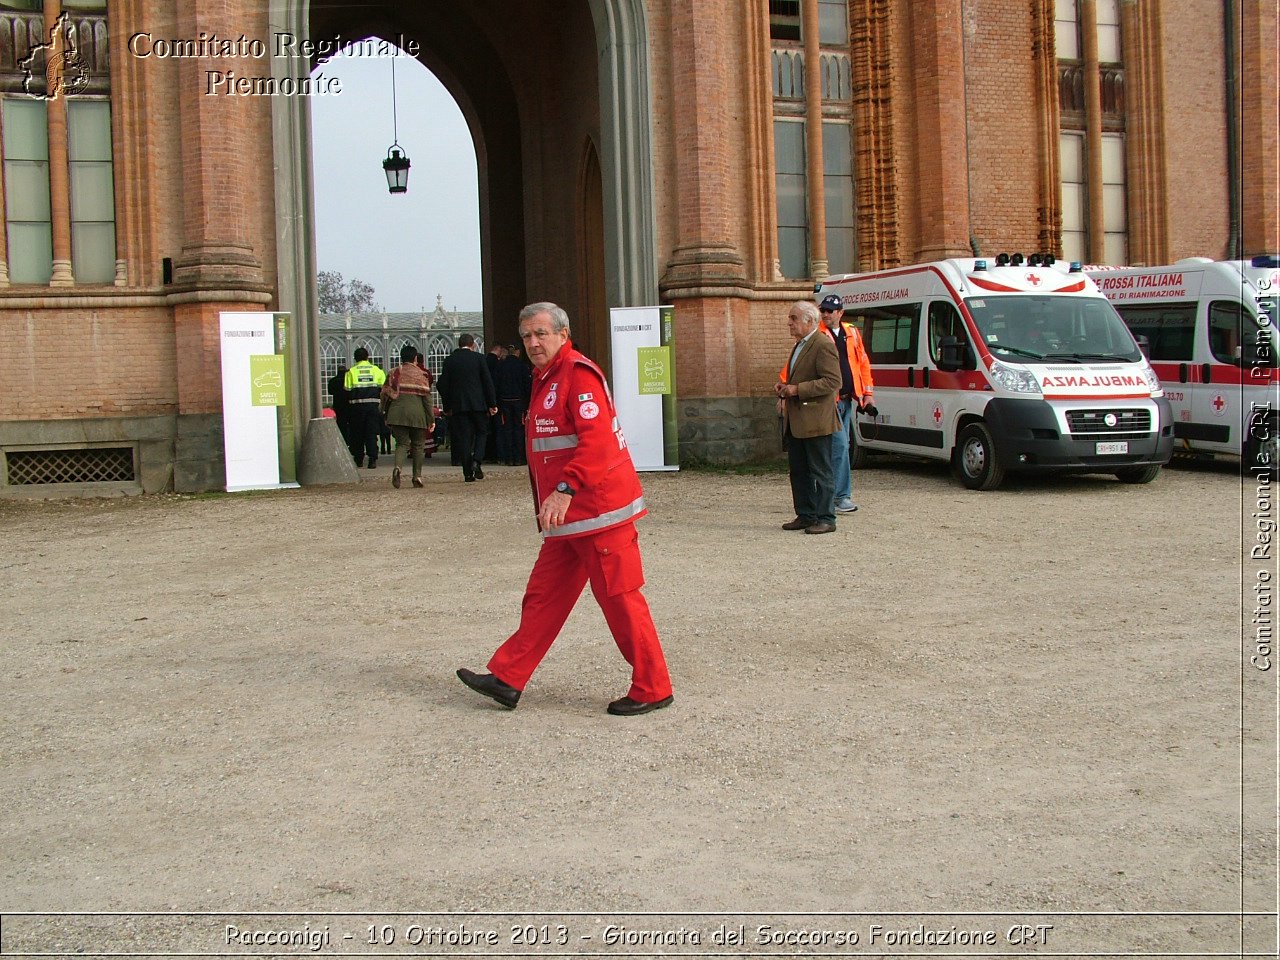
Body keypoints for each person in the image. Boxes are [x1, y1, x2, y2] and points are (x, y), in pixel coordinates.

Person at [456, 302, 674, 716]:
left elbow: (597, 443)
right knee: (542, 596)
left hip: (598, 512)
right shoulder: (545, 377)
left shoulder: (577, 374)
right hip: (569, 517)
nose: (533, 342)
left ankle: (653, 686)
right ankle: (508, 677)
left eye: (540, 333)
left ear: (562, 333)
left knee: (620, 600)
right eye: (526, 336)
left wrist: (563, 488)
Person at [774, 300, 841, 534]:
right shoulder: (800, 345)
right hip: (798, 420)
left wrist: (797, 389)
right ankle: (805, 514)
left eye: (794, 318)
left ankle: (826, 517)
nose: (789, 322)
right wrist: (785, 387)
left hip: (816, 420)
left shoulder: (822, 344)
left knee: (821, 471)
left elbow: (833, 381)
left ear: (809, 321)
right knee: (799, 470)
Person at [817, 293, 876, 514]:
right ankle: (840, 497)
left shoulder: (851, 332)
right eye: (822, 310)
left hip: (846, 400)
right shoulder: (818, 334)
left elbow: (862, 363)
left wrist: (867, 393)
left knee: (839, 447)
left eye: (829, 311)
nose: (825, 314)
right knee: (840, 447)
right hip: (829, 402)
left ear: (840, 312)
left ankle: (830, 494)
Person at [436, 333, 497, 482]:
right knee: (482, 433)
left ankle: (467, 473)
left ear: (459, 344)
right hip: (478, 404)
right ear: (473, 344)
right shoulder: (479, 359)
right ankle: (477, 460)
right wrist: (492, 404)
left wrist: (447, 405)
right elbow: (487, 382)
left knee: (464, 438)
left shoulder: (450, 361)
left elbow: (442, 385)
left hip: (459, 406)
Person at [381, 344, 435, 489]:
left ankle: (398, 468)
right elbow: (427, 400)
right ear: (415, 358)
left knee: (401, 444)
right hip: (417, 415)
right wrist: (431, 419)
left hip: (397, 413)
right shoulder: (421, 375)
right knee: (418, 445)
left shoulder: (393, 373)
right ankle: (417, 476)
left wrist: (384, 412)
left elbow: (385, 394)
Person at [343, 348, 386, 468]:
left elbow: (347, 389)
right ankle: (372, 459)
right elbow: (383, 388)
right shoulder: (377, 370)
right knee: (371, 433)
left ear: (355, 358)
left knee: (357, 434)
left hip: (356, 407)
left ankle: (359, 459)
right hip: (373, 406)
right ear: (368, 357)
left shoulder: (351, 372)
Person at [495, 342, 532, 465]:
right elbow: (527, 386)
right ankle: (519, 457)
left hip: (504, 401)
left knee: (507, 429)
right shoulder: (522, 366)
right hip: (519, 402)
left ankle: (509, 458)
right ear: (518, 352)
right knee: (519, 430)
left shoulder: (501, 366)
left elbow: (496, 385)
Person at [484, 342, 506, 463]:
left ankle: (487, 454)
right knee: (498, 428)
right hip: (497, 401)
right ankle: (498, 454)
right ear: (498, 350)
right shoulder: (498, 364)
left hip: (484, 402)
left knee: (486, 430)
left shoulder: (484, 361)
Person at [327, 365, 351, 448]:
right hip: (349, 404)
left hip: (338, 405)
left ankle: (342, 441)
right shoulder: (348, 380)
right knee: (350, 424)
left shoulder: (333, 381)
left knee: (341, 424)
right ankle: (349, 442)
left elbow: (330, 392)